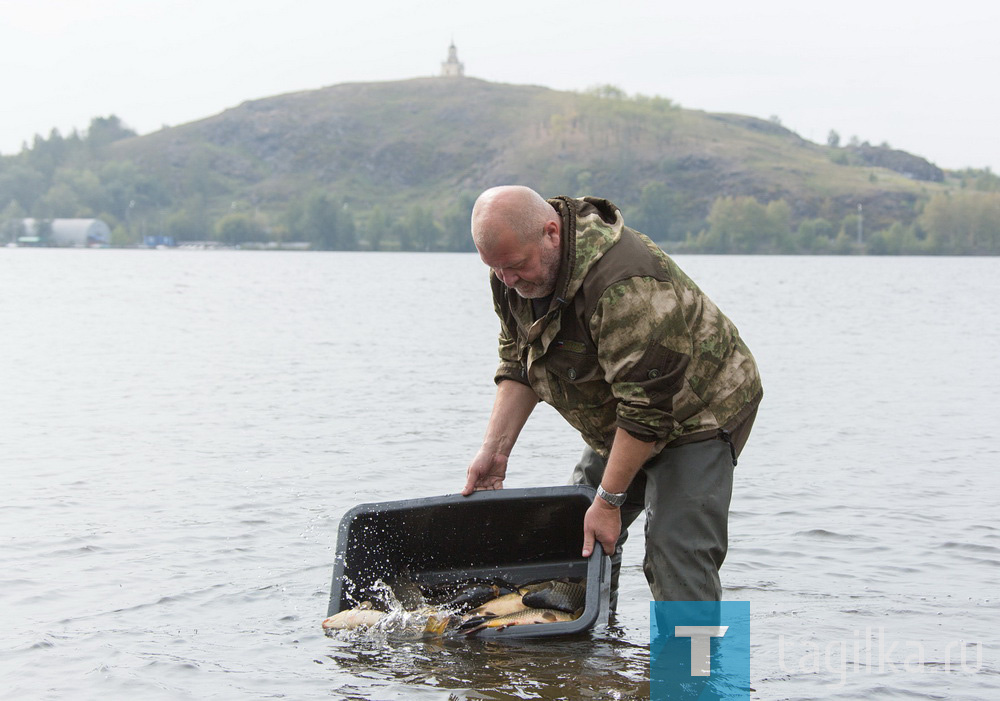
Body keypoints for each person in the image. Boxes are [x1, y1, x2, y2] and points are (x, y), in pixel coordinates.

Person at [461, 185, 762, 606]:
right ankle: (596, 653)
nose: (507, 281)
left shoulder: (626, 283)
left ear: (551, 233)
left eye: (515, 266)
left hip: (699, 410)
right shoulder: (512, 272)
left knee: (677, 553)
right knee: (573, 531)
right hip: (624, 407)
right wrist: (495, 451)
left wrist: (609, 500)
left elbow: (648, 411)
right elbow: (519, 360)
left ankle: (699, 669)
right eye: (495, 270)